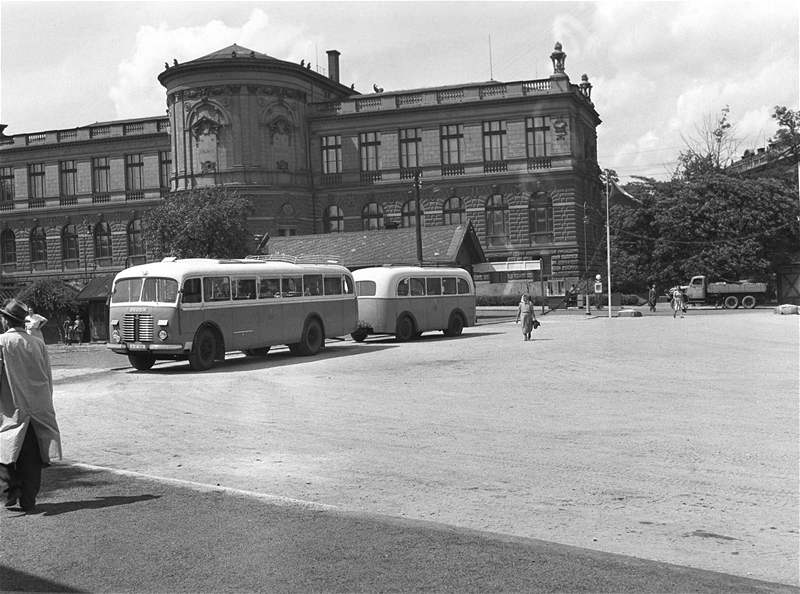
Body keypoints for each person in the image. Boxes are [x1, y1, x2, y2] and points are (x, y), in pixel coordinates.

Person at [0, 299, 62, 513]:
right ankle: (29, 499)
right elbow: (48, 376)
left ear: (5, 321)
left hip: (12, 406)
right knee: (32, 457)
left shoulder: (2, 343)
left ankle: (9, 490)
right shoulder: (37, 343)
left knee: (5, 450)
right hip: (38, 405)